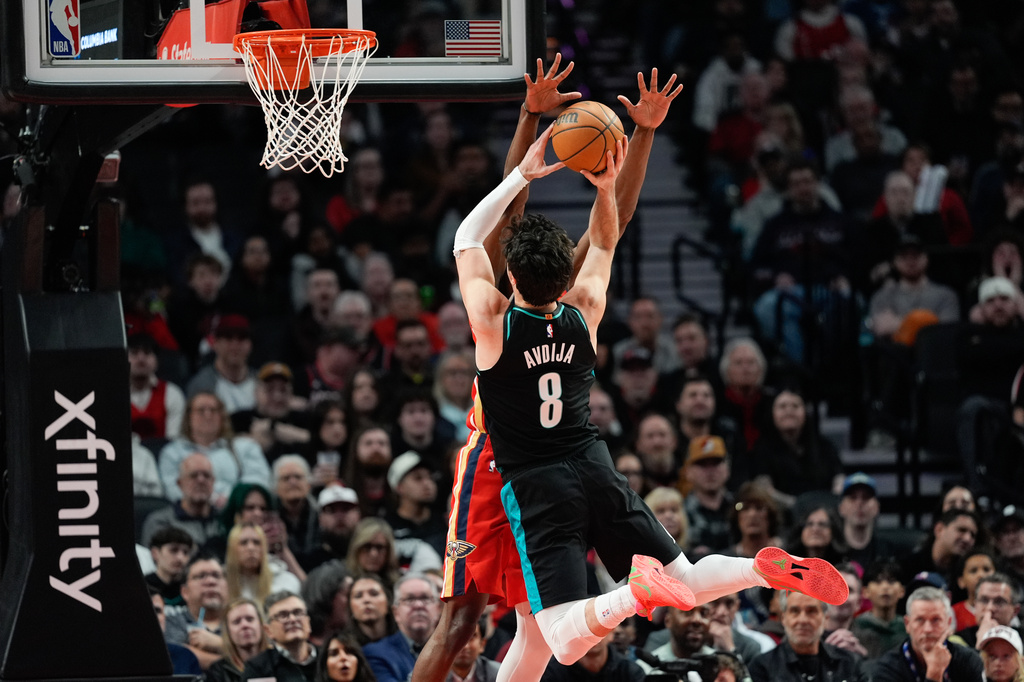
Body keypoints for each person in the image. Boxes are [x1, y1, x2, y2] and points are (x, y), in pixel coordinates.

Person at [450, 76, 846, 673]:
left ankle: (632, 595)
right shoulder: (585, 307)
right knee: (681, 577)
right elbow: (606, 240)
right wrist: (607, 183)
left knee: (560, 638)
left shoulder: (491, 323)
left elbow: (468, 236)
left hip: (533, 482)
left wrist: (523, 173)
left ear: (511, 278)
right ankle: (757, 569)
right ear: (564, 275)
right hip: (593, 463)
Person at [159, 392, 271, 505]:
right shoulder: (172, 452)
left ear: (222, 417)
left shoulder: (245, 447)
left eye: (213, 410)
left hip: (236, 512)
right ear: (189, 417)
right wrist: (209, 499)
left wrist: (230, 500)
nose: (208, 415)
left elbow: (259, 481)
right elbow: (171, 489)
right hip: (190, 513)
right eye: (201, 410)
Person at [748, 592, 867, 682]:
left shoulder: (849, 663)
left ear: (825, 617)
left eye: (811, 611)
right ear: (783, 618)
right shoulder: (762, 666)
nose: (803, 620)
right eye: (795, 611)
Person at [872, 586, 984, 681]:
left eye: (936, 620)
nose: (928, 629)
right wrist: (934, 675)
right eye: (920, 620)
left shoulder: (968, 661)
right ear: (907, 624)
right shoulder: (887, 669)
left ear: (948, 623)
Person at [364, 574, 442, 682]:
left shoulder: (455, 651)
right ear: (396, 612)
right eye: (409, 599)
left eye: (425, 598)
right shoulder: (376, 654)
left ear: (438, 608)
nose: (419, 605)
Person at [142, 452, 223, 547]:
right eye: (193, 475)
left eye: (206, 475)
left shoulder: (223, 520)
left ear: (213, 482)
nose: (201, 480)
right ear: (180, 483)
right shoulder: (160, 522)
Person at [165, 553, 230, 669]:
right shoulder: (170, 621)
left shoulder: (243, 620)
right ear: (185, 592)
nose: (211, 581)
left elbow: (261, 657)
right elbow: (179, 655)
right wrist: (237, 660)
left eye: (216, 575)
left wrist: (219, 643)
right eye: (201, 576)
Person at [242, 591, 319, 682]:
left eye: (298, 612)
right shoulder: (258, 669)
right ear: (268, 630)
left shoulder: (329, 658)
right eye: (283, 615)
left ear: (308, 622)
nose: (292, 619)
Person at [224, 522, 303, 604]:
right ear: (232, 549)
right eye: (244, 543)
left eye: (256, 542)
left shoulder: (285, 582)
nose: (251, 548)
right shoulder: (222, 585)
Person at [129, 332, 186, 439]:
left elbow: (173, 440)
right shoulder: (115, 396)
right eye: (134, 353)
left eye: (147, 352)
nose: (141, 359)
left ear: (157, 361)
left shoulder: (172, 393)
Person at [852, 559, 907, 660]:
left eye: (891, 581)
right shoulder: (854, 628)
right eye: (878, 581)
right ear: (865, 592)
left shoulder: (909, 629)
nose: (885, 587)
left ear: (902, 591)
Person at [207, 598, 273, 682]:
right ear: (228, 632)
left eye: (250, 619)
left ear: (261, 625)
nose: (244, 625)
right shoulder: (218, 671)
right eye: (237, 622)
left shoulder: (280, 664)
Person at [956, 573, 1024, 648]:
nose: (990, 608)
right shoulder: (958, 640)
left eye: (999, 602)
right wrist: (981, 643)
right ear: (975, 605)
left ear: (1015, 611)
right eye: (984, 600)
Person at [151, 588, 204, 675]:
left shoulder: (185, 656)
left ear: (165, 617)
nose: (152, 616)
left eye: (157, 611)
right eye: (146, 609)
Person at [147, 526, 195, 604]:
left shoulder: (191, 589)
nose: (180, 558)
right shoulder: (143, 587)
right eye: (173, 550)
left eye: (185, 552)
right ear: (155, 553)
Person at [952, 548, 997, 631]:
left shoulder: (1006, 609)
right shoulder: (953, 613)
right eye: (973, 571)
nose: (981, 575)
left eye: (986, 569)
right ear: (961, 581)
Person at [346, 573, 397, 646]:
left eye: (374, 594)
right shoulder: (345, 649)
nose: (366, 600)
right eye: (358, 596)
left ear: (388, 602)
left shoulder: (407, 641)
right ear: (350, 607)